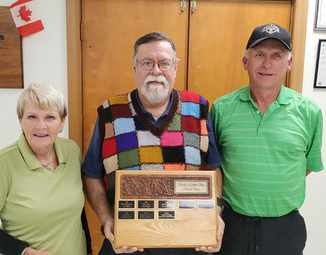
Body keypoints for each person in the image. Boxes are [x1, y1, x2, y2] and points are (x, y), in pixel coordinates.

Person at [82, 31, 225, 255]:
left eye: (164, 63)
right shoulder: (110, 113)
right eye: (147, 63)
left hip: (187, 241)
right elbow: (91, 174)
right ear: (134, 68)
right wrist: (106, 217)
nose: (156, 71)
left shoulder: (198, 108)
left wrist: (214, 214)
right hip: (127, 242)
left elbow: (214, 167)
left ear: (175, 68)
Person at [210, 23, 324, 255]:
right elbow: (214, 166)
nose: (267, 64)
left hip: (284, 228)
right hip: (232, 226)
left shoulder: (309, 112)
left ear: (289, 63)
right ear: (246, 61)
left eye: (277, 55)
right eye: (259, 54)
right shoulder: (221, 108)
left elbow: (306, 166)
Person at [0, 83, 92, 255]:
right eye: (32, 117)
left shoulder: (72, 151)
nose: (41, 126)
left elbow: (78, 213)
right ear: (20, 120)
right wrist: (23, 251)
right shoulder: (3, 163)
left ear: (62, 121)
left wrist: (88, 250)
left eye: (50, 117)